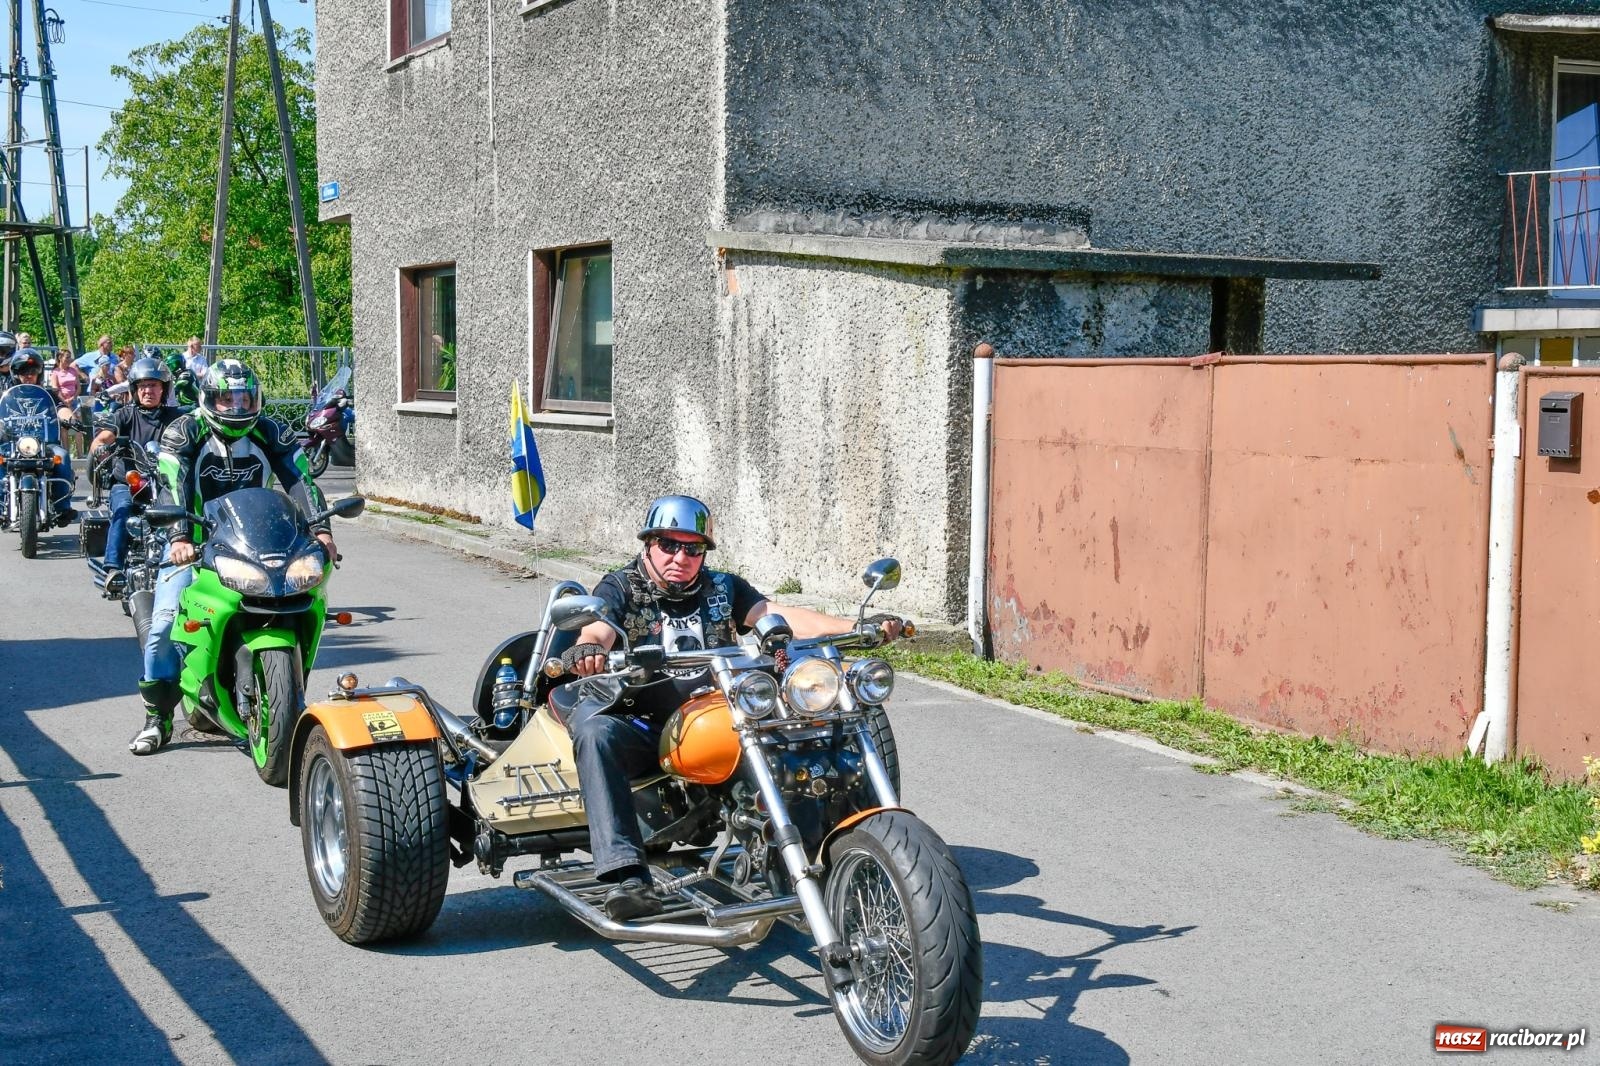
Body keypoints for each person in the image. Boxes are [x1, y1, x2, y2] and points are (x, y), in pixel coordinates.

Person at [567, 494, 903, 920]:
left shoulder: (724, 588)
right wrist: (587, 650)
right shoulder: (619, 587)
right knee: (597, 734)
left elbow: (775, 615)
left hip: (718, 715)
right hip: (643, 719)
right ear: (649, 544)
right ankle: (627, 877)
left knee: (801, 727)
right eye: (668, 545)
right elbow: (598, 630)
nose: (680, 557)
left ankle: (826, 851)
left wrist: (855, 627)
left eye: (692, 548)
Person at [133, 358, 334, 755]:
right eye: (227, 399)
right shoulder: (184, 430)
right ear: (210, 399)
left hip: (255, 545)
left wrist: (322, 530)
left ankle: (282, 703)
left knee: (304, 599)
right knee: (164, 626)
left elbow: (299, 479)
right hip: (192, 542)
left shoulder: (269, 430)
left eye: (244, 398)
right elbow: (172, 480)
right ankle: (157, 718)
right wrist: (177, 537)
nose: (236, 408)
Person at [91, 357, 184, 595]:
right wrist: (100, 447)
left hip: (164, 482)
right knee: (122, 510)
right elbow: (104, 436)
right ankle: (112, 569)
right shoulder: (124, 415)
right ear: (134, 389)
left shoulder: (176, 418)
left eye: (153, 385)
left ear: (163, 389)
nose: (148, 391)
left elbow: (196, 430)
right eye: (142, 386)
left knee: (187, 513)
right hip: (129, 482)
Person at [2, 348, 76, 523]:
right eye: (24, 372)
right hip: (12, 443)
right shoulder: (6, 396)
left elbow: (61, 409)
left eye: (33, 372)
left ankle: (62, 507)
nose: (28, 375)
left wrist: (70, 418)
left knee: (63, 456)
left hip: (45, 443)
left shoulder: (48, 395)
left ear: (39, 374)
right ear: (15, 373)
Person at [50, 349, 86, 456]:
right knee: (64, 426)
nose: (69, 360)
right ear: (60, 358)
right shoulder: (55, 372)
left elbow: (78, 387)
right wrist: (64, 401)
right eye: (67, 357)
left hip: (73, 401)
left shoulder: (73, 371)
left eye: (70, 357)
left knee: (78, 426)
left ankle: (80, 453)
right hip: (62, 402)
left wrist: (73, 398)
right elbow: (55, 389)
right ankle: (66, 452)